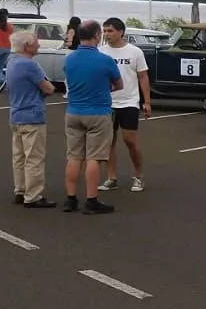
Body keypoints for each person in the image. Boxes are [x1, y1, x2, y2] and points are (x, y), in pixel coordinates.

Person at [61, 20, 123, 214]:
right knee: (94, 158)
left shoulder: (69, 59)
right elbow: (119, 84)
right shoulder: (105, 60)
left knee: (74, 156)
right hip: (98, 112)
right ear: (97, 35)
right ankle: (91, 199)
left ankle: (71, 199)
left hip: (74, 111)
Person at [98, 17, 152, 192]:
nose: (107, 34)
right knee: (108, 142)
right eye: (105, 31)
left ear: (120, 32)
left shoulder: (135, 52)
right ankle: (111, 177)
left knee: (130, 141)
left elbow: (143, 77)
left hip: (129, 102)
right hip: (107, 103)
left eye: (110, 31)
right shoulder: (101, 52)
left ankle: (138, 176)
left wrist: (147, 102)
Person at [5, 29, 57, 208]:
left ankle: (20, 190)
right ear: (27, 46)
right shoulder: (30, 65)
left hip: (16, 114)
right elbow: (48, 88)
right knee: (34, 157)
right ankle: (33, 195)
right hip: (32, 115)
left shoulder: (12, 61)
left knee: (19, 157)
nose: (38, 44)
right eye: (36, 42)